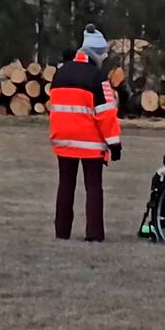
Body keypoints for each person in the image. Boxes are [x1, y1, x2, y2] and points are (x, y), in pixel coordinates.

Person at [49, 26, 122, 242]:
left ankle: (62, 231)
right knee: (93, 187)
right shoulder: (97, 77)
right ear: (96, 54)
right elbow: (106, 114)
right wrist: (114, 143)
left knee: (65, 184)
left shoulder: (60, 73)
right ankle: (94, 233)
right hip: (90, 142)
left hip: (62, 139)